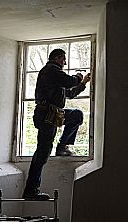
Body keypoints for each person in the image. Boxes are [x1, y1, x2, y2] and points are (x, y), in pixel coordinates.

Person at [22, 48, 90, 200]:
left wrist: (83, 83)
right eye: (63, 59)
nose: (65, 63)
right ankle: (31, 190)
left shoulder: (54, 79)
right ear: (57, 58)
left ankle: (62, 146)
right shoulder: (50, 70)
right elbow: (69, 81)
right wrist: (78, 77)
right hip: (47, 115)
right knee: (42, 153)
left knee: (76, 115)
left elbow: (70, 93)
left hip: (55, 113)